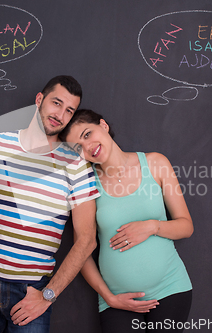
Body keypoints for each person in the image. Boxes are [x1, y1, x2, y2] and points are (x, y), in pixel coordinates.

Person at [0, 76, 100, 333]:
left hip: (32, 291)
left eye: (69, 111)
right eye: (56, 103)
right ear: (39, 99)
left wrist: (48, 295)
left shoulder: (76, 164)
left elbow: (87, 239)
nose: (60, 114)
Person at [59, 109, 193, 333]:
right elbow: (81, 252)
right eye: (78, 148)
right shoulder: (85, 184)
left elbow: (186, 226)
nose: (88, 147)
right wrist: (109, 297)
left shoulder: (155, 163)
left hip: (171, 289)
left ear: (103, 125)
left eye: (87, 134)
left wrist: (152, 226)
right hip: (117, 300)